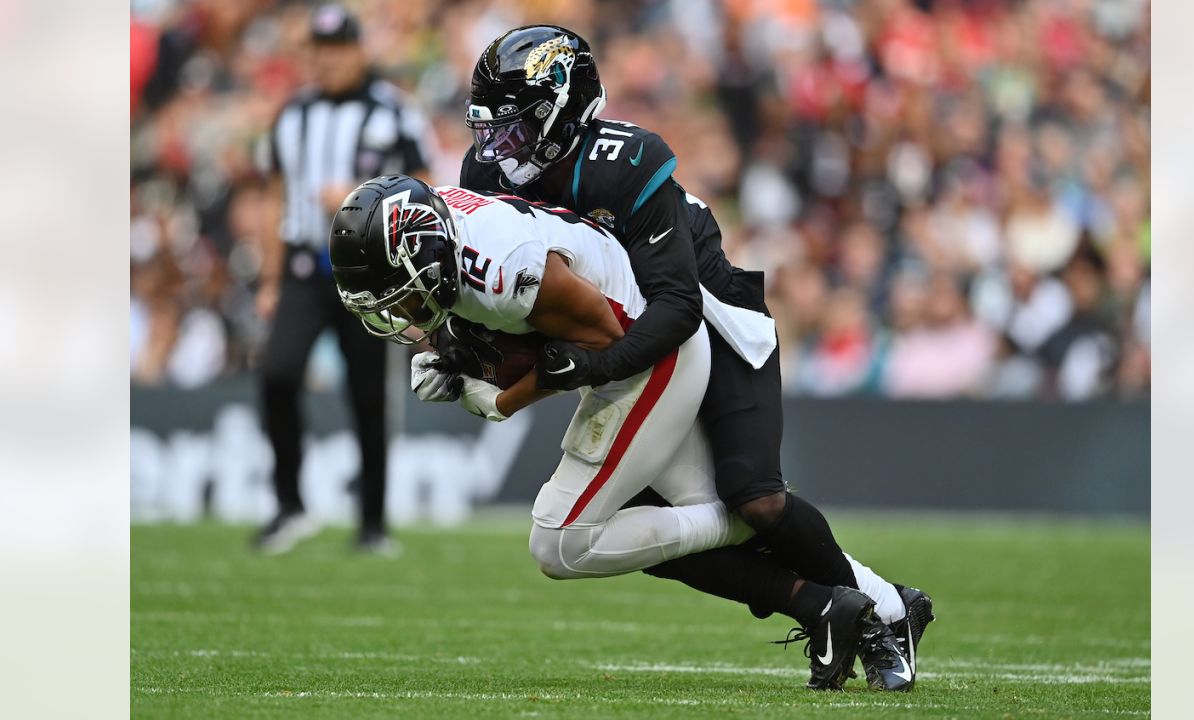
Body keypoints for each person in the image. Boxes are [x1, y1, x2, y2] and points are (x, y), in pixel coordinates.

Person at [459, 25, 932, 690]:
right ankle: (839, 605)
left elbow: (676, 305)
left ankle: (886, 614)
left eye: (518, 126)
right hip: (636, 339)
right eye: (493, 129)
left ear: (567, 107)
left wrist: (589, 368)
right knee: (650, 523)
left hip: (709, 313)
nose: (500, 150)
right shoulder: (486, 172)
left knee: (756, 499)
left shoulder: (623, 161)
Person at [328, 175, 883, 689]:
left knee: (560, 541)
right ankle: (855, 606)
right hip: (629, 354)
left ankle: (743, 527)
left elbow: (599, 344)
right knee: (664, 534)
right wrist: (454, 348)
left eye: (399, 292)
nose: (398, 311)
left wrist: (491, 398)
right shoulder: (446, 230)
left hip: (646, 357)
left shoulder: (505, 272)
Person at [252, 4, 433, 554]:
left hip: (371, 272)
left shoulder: (393, 112)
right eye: (319, 50)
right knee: (277, 375)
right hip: (306, 267)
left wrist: (360, 196)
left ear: (358, 51)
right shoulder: (292, 115)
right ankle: (289, 507)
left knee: (367, 398)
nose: (328, 61)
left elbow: (423, 188)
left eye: (338, 49)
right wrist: (269, 279)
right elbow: (273, 198)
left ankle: (372, 524)